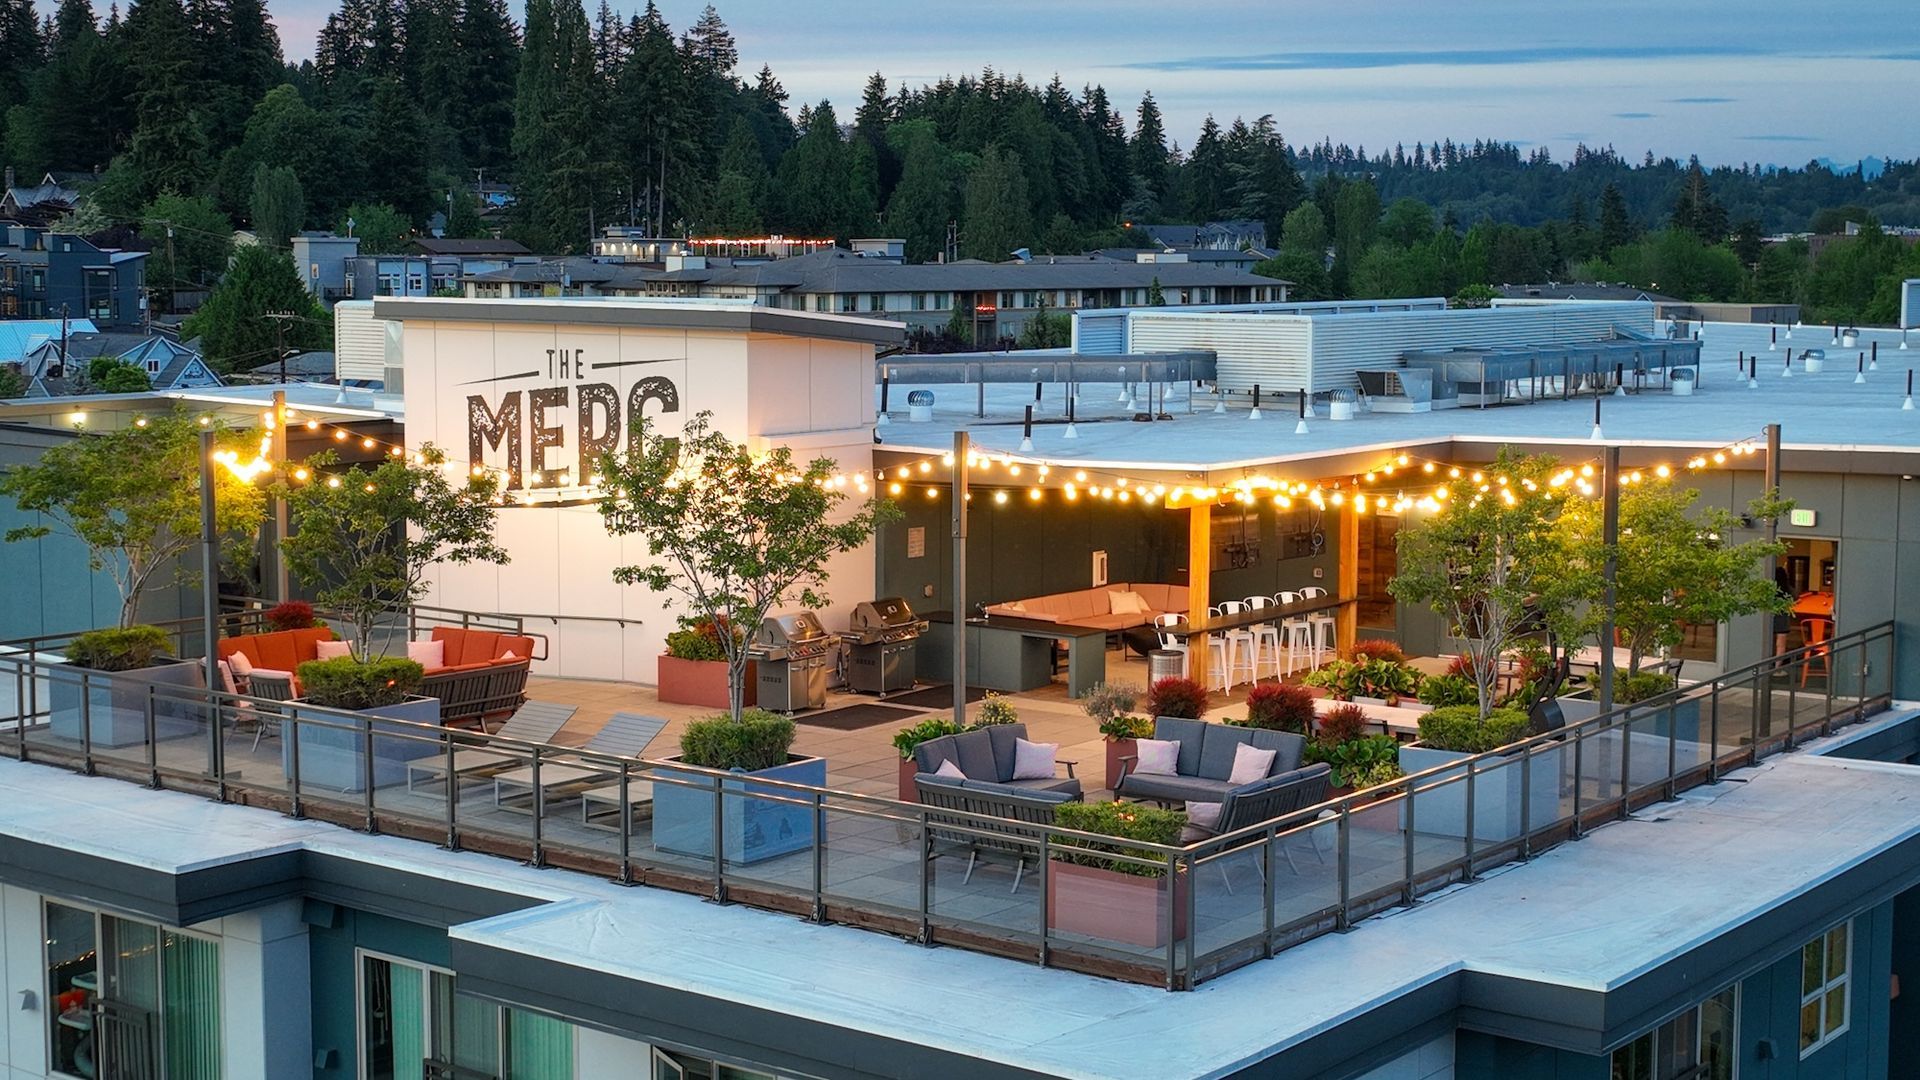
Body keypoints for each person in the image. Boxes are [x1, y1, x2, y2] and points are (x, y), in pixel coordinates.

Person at [1772, 566, 1795, 656]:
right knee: (1781, 644)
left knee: (1768, 641)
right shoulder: (1787, 588)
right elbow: (1795, 596)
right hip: (1782, 618)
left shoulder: (1770, 588)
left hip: (1771, 616)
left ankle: (1768, 662)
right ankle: (1777, 667)